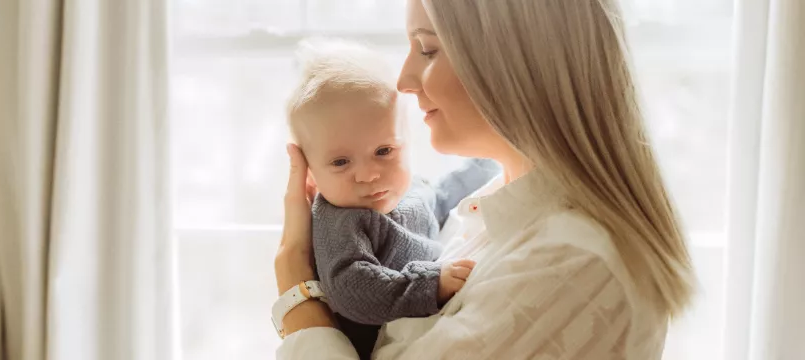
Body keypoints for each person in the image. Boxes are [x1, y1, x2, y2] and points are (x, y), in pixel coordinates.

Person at [274, 0, 696, 358]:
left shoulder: (571, 261)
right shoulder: (489, 211)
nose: (402, 81)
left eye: (427, 49)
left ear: (515, 61)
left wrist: (295, 285)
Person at [282, 38, 500, 358]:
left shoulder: (411, 190)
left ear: (407, 143)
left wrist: (487, 159)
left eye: (384, 151)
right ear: (310, 175)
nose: (369, 174)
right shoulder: (341, 221)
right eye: (341, 162)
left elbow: (441, 198)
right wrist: (430, 285)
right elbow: (353, 289)